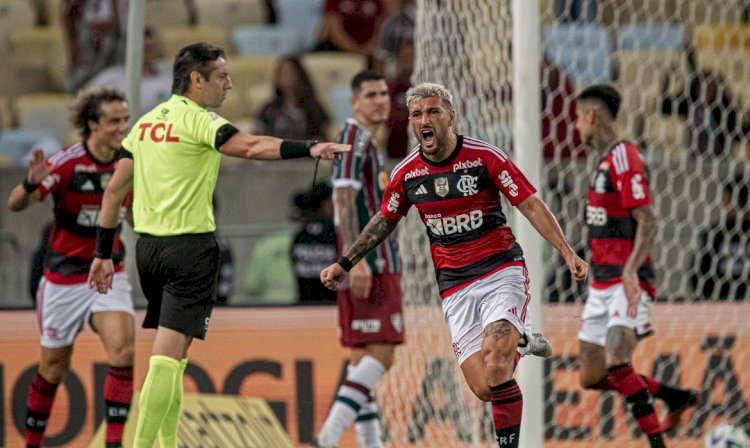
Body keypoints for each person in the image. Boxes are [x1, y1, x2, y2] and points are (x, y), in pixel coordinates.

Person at [86, 42, 349, 448]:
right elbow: (250, 146)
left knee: (176, 358)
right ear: (197, 80)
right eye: (221, 76)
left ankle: (167, 443)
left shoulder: (145, 124)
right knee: (165, 357)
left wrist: (103, 253)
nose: (228, 84)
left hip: (148, 251)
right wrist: (310, 147)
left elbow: (113, 192)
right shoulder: (199, 120)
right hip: (189, 250)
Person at [320, 82, 586, 448]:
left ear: (451, 116)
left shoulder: (485, 158)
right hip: (455, 286)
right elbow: (385, 220)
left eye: (432, 112)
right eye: (416, 114)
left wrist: (567, 251)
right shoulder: (407, 174)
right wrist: (346, 262)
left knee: (496, 362)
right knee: (485, 386)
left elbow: (530, 204)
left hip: (500, 270)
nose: (424, 120)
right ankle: (521, 340)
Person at [7, 87, 135, 448]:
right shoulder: (67, 163)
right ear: (92, 124)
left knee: (123, 351)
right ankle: (32, 442)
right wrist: (31, 181)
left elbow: (138, 212)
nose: (122, 127)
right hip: (64, 277)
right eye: (114, 120)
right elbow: (17, 203)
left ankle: (114, 443)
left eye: (125, 119)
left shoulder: (131, 161)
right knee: (52, 368)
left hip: (109, 270)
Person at [574, 84, 698, 447]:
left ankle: (657, 442)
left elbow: (648, 219)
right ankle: (674, 396)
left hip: (627, 281)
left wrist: (629, 270)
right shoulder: (605, 160)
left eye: (577, 118)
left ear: (591, 116)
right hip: (601, 283)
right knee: (591, 376)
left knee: (617, 358)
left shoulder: (625, 157)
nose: (575, 128)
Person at [313, 70, 403, 448]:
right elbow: (344, 199)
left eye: (383, 93)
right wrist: (357, 259)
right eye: (370, 95)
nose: (380, 100)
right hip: (372, 258)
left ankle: (371, 444)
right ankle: (328, 437)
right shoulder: (354, 139)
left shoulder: (363, 140)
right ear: (354, 102)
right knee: (383, 352)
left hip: (366, 255)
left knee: (361, 355)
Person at [85, 27, 173, 117]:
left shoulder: (168, 82)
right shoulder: (110, 78)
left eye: (149, 48)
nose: (145, 53)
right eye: (142, 48)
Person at [690, 175, 750, 300]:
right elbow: (699, 272)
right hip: (720, 302)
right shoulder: (716, 233)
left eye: (728, 198)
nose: (725, 203)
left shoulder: (715, 233)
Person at [253, 55, 331, 141]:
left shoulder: (313, 109)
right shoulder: (269, 110)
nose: (286, 77)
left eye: (289, 72)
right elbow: (257, 137)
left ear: (299, 75)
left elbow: (322, 137)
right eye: (281, 73)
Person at [292, 183, 337, 305]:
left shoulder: (300, 235)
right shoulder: (333, 234)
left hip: (304, 304)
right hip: (331, 304)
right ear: (324, 204)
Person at [313, 0, 387, 63]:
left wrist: (367, 49)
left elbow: (381, 27)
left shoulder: (378, 2)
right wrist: (355, 51)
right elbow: (334, 29)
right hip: (339, 52)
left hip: (369, 54)